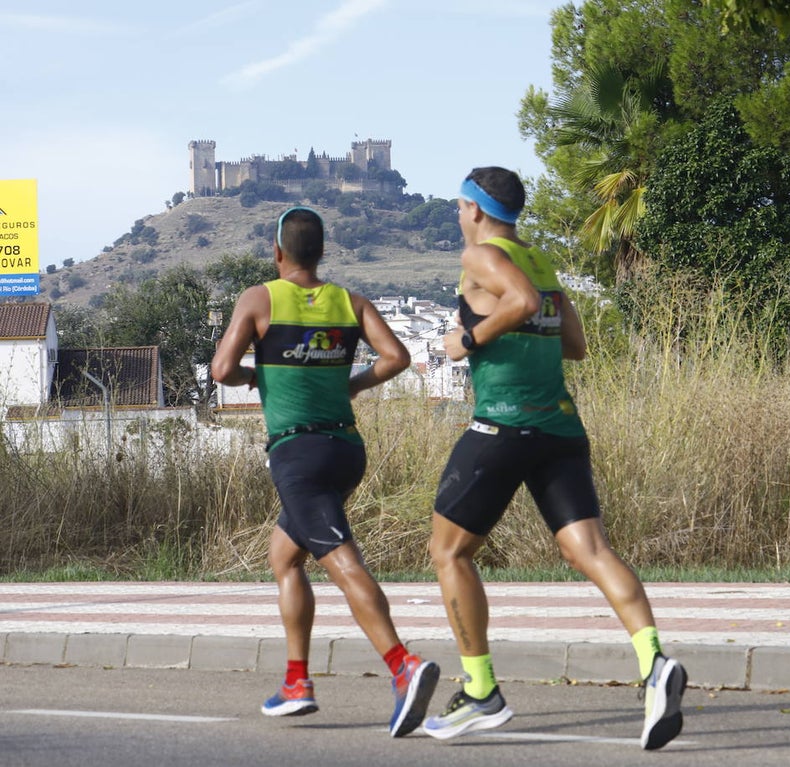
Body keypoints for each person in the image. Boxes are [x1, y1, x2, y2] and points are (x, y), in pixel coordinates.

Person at [422, 167, 687, 750]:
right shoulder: (538, 260)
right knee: (589, 549)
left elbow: (517, 302)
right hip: (560, 427)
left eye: (458, 207)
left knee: (448, 551)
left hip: (503, 424)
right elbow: (575, 344)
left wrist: (467, 340)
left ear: (475, 209)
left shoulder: (483, 257)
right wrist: (521, 323)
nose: (457, 217)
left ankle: (482, 689)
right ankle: (654, 663)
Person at [210, 206, 439, 737]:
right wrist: (349, 385)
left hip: (298, 455)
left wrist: (256, 374)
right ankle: (296, 681)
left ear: (277, 253)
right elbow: (397, 357)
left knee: (341, 560)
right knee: (284, 556)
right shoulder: (349, 301)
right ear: (321, 253)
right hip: (345, 449)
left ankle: (403, 666)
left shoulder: (259, 298)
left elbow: (222, 370)